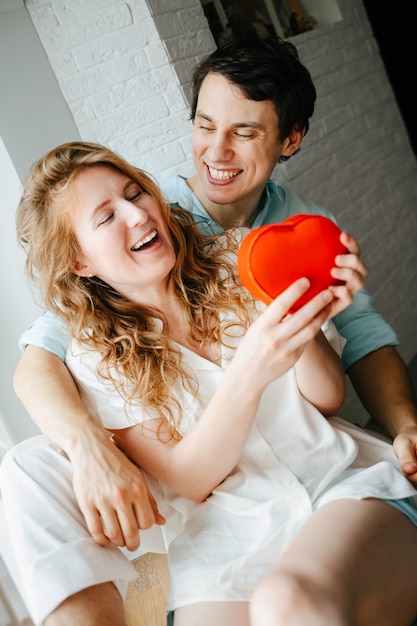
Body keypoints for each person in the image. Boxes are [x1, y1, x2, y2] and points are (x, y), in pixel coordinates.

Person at [5, 35, 417, 623]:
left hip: (332, 481)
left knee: (289, 606)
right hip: (223, 538)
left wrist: (310, 323)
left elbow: (336, 379)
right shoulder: (94, 348)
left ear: (289, 140)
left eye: (134, 192)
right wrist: (85, 442)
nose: (140, 213)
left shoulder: (245, 253)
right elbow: (186, 475)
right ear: (80, 261)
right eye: (205, 124)